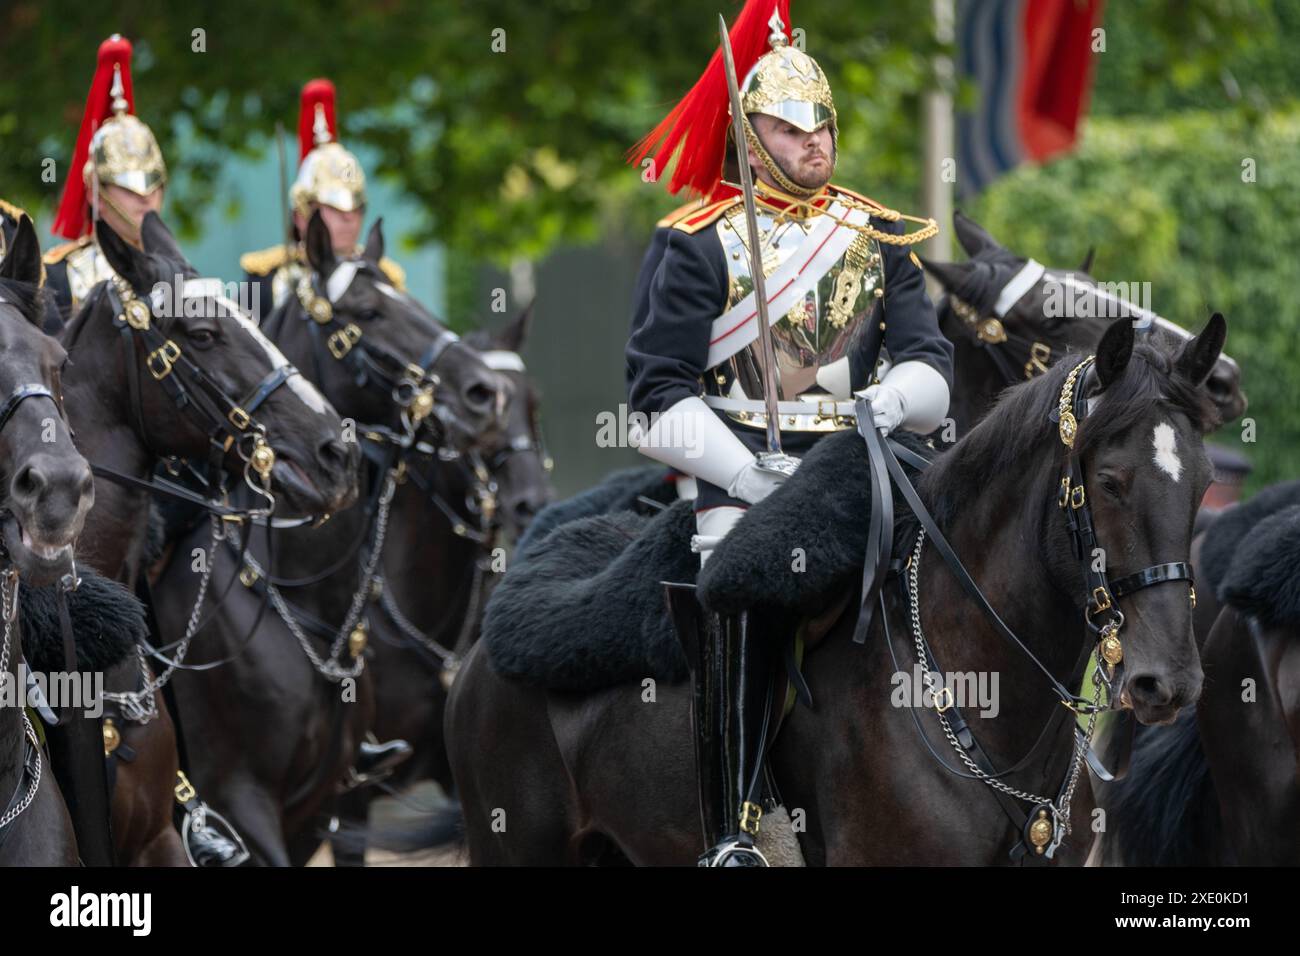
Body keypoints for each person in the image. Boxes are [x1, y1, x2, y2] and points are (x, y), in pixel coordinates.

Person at [625, 0, 954, 865]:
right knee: (745, 580)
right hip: (745, 475)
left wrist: (890, 403)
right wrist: (747, 477)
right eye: (788, 125)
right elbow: (655, 394)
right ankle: (733, 826)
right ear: (747, 133)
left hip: (864, 466)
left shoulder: (879, 239)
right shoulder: (697, 244)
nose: (814, 141)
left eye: (822, 125)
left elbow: (929, 360)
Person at [241, 79, 405, 321]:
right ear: (301, 215)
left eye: (357, 208)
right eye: (333, 208)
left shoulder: (385, 278)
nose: (349, 218)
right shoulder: (265, 279)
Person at [43, 35, 168, 332]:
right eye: (127, 188)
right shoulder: (60, 277)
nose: (145, 197)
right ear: (95, 193)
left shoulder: (175, 268)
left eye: (152, 185)